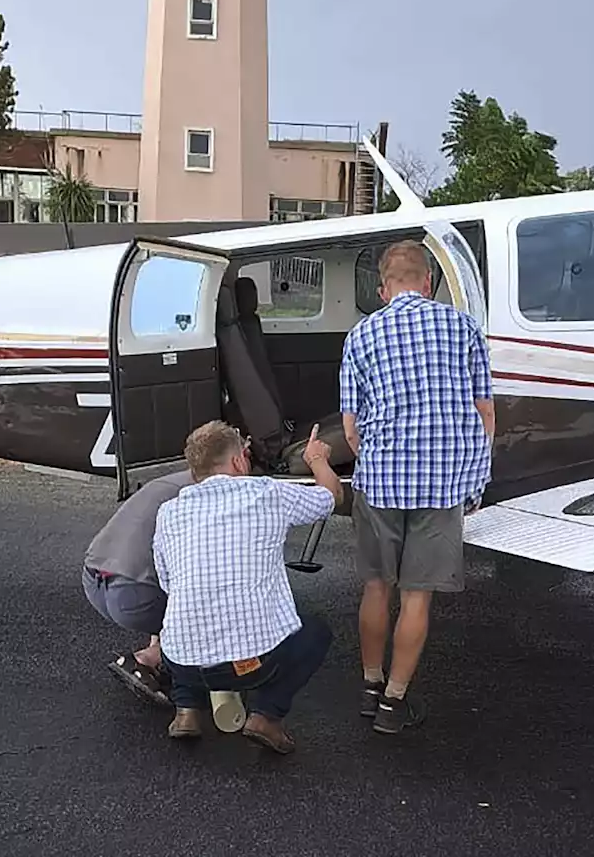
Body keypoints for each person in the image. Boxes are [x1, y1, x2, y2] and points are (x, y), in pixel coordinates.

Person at [339, 239, 495, 735]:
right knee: (417, 597)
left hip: (382, 481)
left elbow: (350, 425)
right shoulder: (464, 327)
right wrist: (472, 474)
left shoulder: (362, 335)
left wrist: (378, 460)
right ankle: (393, 704)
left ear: (384, 288)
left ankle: (368, 684)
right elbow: (485, 412)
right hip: (443, 483)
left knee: (376, 587)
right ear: (429, 283)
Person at [153, 420, 341, 755]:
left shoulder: (169, 512)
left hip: (182, 663)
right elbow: (331, 497)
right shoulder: (266, 492)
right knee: (316, 633)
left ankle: (186, 710)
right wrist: (317, 460)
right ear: (239, 460)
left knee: (185, 616)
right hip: (252, 664)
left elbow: (168, 583)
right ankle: (267, 715)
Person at [82, 468, 194, 705]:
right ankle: (150, 659)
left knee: (162, 573)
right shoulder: (207, 495)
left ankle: (159, 650)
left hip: (94, 579)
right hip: (132, 596)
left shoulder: (169, 481)